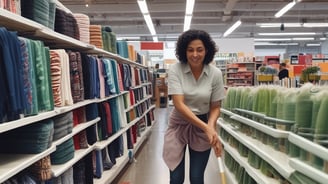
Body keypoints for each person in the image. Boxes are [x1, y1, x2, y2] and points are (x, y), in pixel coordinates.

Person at [162, 29, 225, 184]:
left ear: (207, 51)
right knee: (176, 178)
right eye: (190, 50)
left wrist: (211, 126)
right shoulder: (176, 70)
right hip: (179, 124)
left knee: (197, 178)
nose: (195, 54)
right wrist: (207, 128)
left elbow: (216, 106)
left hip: (203, 123)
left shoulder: (215, 74)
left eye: (199, 50)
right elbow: (179, 104)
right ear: (184, 51)